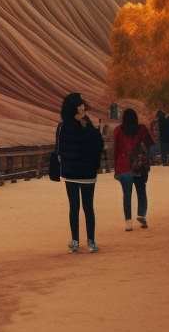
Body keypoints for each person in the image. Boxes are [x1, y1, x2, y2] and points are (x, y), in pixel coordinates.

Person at [56, 92, 104, 253]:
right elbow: (97, 145)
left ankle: (79, 241)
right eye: (80, 104)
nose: (83, 106)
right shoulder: (81, 125)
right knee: (84, 206)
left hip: (74, 171)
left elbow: (60, 150)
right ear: (74, 107)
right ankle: (87, 241)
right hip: (83, 172)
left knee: (78, 206)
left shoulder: (66, 126)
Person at [113, 108, 154, 231]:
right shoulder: (142, 129)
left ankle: (128, 222)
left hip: (123, 165)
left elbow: (115, 150)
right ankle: (141, 214)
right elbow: (150, 145)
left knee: (127, 195)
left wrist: (115, 168)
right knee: (141, 191)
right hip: (138, 165)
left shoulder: (118, 131)